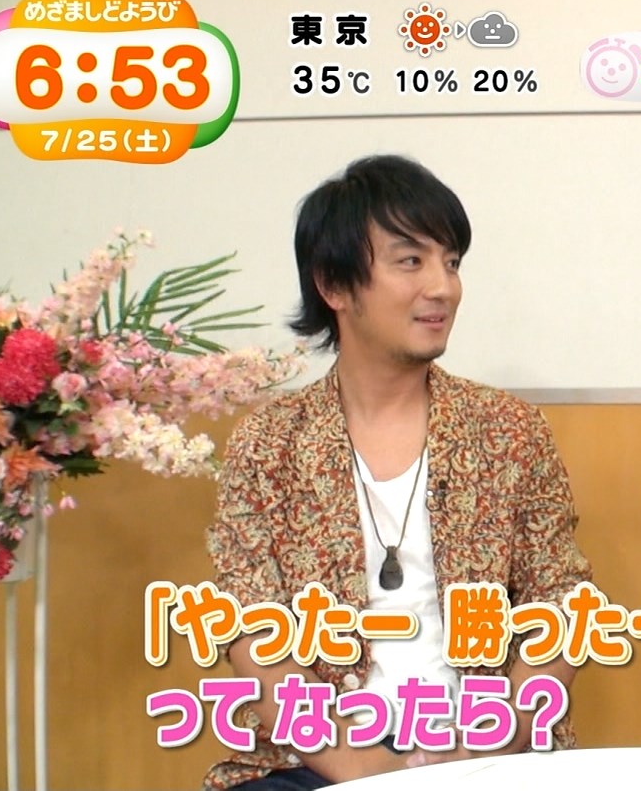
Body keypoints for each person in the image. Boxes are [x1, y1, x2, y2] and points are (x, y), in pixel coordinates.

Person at [203, 155, 593, 790]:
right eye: (411, 261)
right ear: (334, 285)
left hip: (487, 752)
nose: (443, 287)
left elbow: (562, 606)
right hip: (317, 763)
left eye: (451, 262)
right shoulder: (269, 445)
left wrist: (480, 750)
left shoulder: (509, 429)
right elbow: (253, 630)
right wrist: (368, 775)